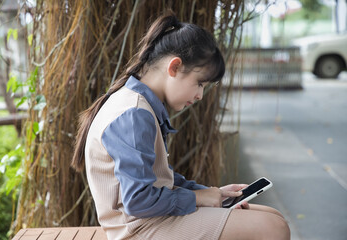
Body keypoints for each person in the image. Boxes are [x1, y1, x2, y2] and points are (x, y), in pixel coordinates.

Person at [71, 12, 290, 240]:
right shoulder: (134, 114)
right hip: (138, 229)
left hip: (151, 220)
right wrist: (199, 199)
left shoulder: (139, 104)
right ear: (174, 67)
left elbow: (159, 178)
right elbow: (138, 200)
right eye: (200, 83)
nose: (200, 95)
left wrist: (210, 193)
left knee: (272, 216)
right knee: (272, 228)